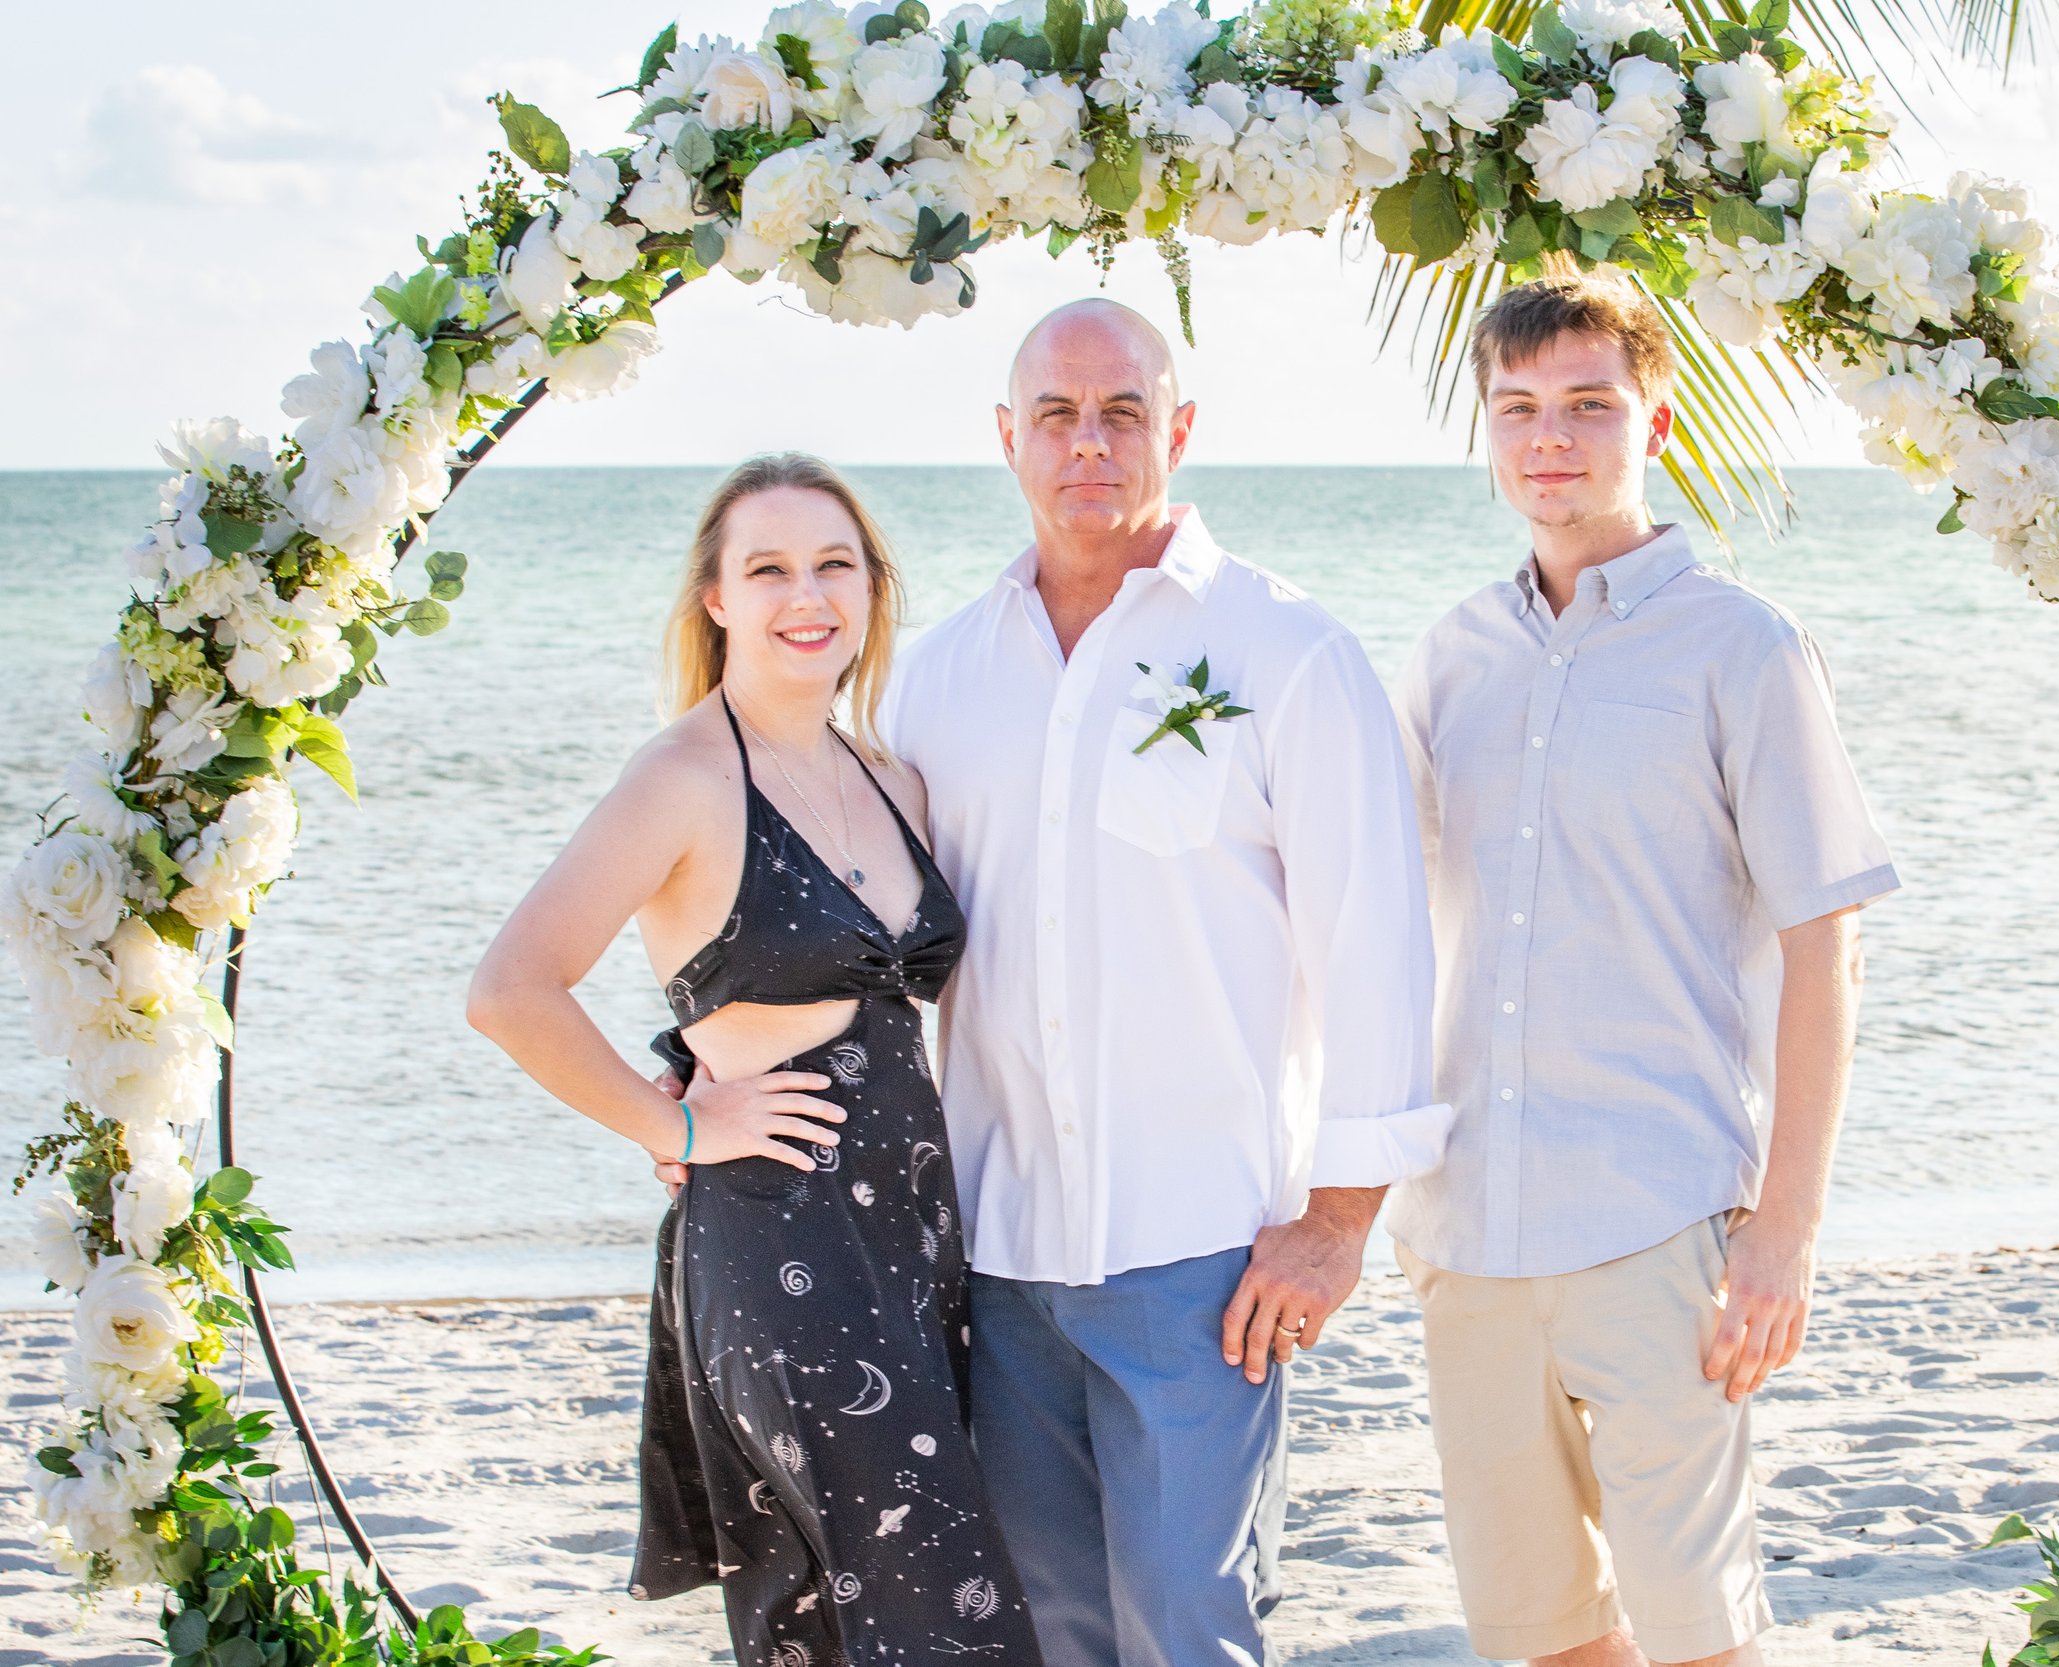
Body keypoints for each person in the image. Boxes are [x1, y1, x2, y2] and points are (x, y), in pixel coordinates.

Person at [878, 297, 1446, 1667]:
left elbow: (1378, 940)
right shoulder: (937, 678)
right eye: (1058, 416)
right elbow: (872, 948)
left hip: (1204, 1260)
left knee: (1192, 1623)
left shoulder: (1285, 651)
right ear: (1007, 438)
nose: (1090, 443)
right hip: (1003, 1253)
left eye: (1123, 412)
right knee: (1052, 1627)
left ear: (1177, 431)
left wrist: (1341, 1215)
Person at [1386, 274, 1900, 1667]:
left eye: (1588, 406)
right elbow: (1353, 909)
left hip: (1658, 1220)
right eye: (1520, 409)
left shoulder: (1743, 646)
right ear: (1489, 432)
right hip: (1468, 1230)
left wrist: (1784, 1225)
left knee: (1695, 1638)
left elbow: (1824, 943)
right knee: (1539, 1636)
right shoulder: (1452, 654)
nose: (1551, 437)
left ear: (1654, 421)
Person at [468, 453, 1045, 1667]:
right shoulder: (682, 777)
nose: (808, 594)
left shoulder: (893, 780)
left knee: (825, 1614)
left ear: (872, 588)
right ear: (717, 597)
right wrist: (669, 1124)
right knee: (937, 1612)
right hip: (781, 1237)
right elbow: (512, 989)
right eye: (769, 567)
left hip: (918, 1235)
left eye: (834, 563)